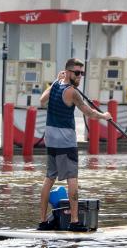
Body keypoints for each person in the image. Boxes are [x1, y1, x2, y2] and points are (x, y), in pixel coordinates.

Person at [36, 58, 112, 231]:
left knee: (49, 178)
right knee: (72, 179)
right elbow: (89, 112)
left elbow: (42, 100)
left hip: (51, 139)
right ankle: (74, 222)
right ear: (68, 72)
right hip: (65, 140)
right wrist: (104, 116)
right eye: (77, 73)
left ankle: (42, 221)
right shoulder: (72, 92)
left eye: (81, 73)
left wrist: (56, 79)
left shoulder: (56, 84)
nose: (80, 76)